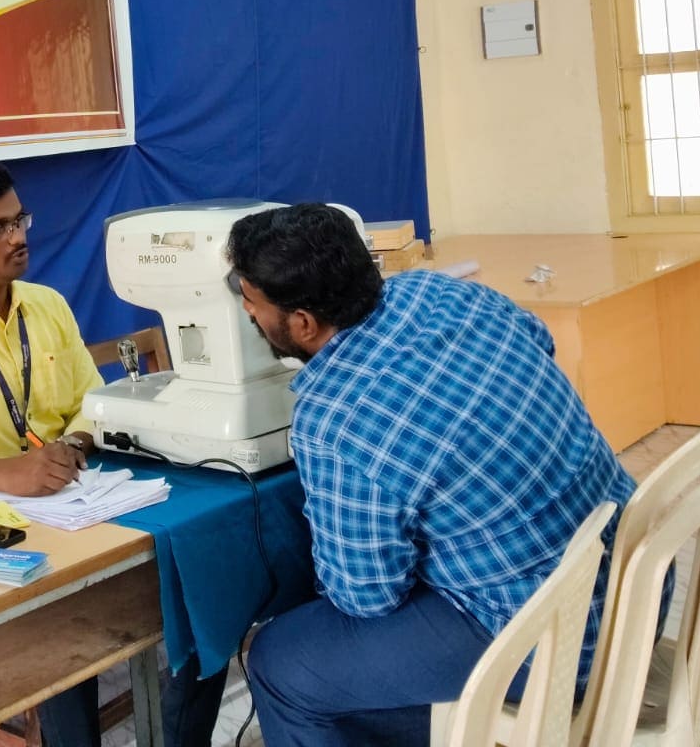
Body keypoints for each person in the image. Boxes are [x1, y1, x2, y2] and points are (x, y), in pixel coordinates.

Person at [224, 204, 636, 747]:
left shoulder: (335, 421)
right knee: (349, 663)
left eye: (251, 302)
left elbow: (366, 597)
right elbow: (540, 342)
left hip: (555, 648)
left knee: (280, 661)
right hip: (629, 583)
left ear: (302, 323)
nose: (248, 313)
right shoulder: (447, 294)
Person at [0, 162, 228, 747]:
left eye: (20, 220)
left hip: (70, 501)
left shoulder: (47, 305)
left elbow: (91, 403)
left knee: (199, 572)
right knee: (63, 624)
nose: (17, 237)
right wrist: (8, 475)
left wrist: (73, 444)